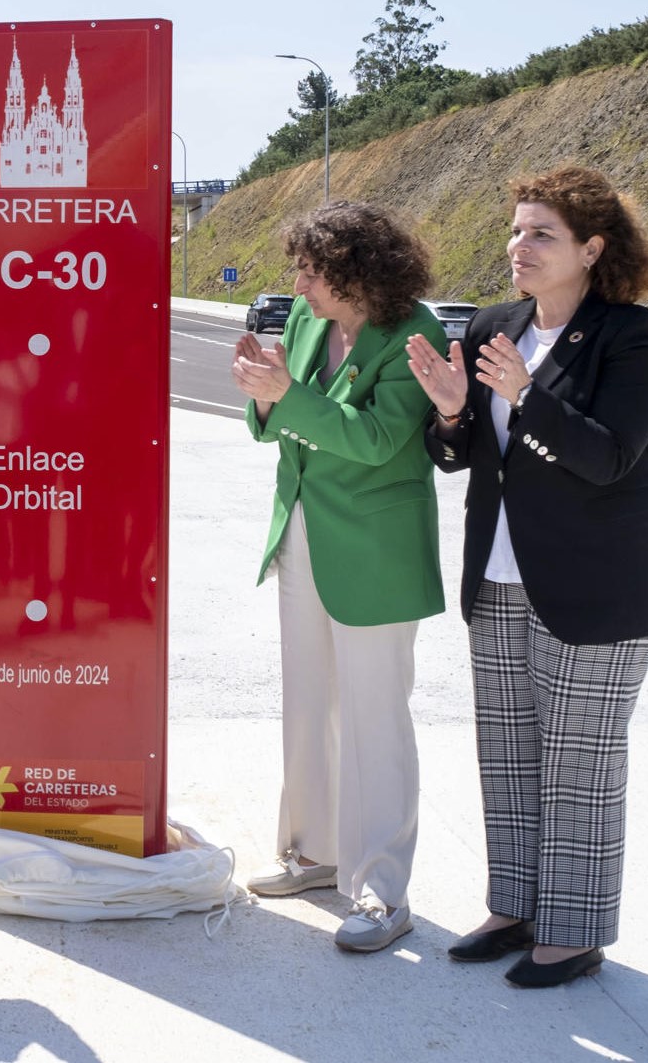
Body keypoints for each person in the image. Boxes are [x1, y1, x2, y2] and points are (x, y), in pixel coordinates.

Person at [404, 164, 648, 988]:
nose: (519, 246)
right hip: (498, 578)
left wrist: (526, 398)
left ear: (592, 249)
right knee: (511, 755)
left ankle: (575, 931)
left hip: (599, 587)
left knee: (579, 763)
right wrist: (452, 412)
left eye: (542, 234)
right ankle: (515, 906)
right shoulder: (497, 325)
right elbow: (461, 459)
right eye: (517, 230)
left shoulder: (631, 336)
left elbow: (608, 457)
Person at [230, 201, 449, 954]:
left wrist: (285, 398)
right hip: (299, 533)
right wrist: (263, 396)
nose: (298, 283)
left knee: (374, 717)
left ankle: (383, 890)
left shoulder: (415, 331)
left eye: (311, 269)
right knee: (308, 702)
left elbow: (381, 439)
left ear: (358, 269)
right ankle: (317, 853)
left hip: (377, 549)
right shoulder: (306, 323)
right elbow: (279, 429)